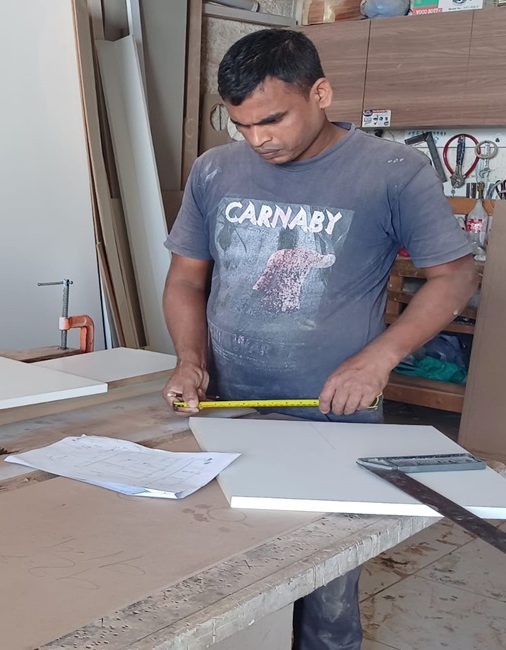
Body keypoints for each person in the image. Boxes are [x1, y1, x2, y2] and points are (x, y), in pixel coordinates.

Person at [161, 29, 479, 650]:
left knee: (325, 587)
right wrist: (190, 361)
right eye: (242, 126)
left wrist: (379, 359)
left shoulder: (391, 172)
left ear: (321, 94)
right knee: (227, 566)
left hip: (333, 413)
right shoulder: (215, 170)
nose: (259, 140)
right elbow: (186, 279)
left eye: (272, 120)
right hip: (226, 408)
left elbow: (455, 276)